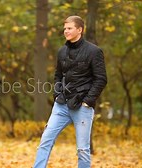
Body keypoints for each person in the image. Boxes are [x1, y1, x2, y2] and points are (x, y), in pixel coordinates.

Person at [33, 16, 107, 168]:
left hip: (82, 107)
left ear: (79, 30)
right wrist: (57, 94)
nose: (65, 31)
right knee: (45, 141)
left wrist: (88, 101)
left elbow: (100, 79)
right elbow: (58, 76)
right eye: (65, 28)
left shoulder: (94, 51)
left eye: (69, 28)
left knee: (82, 149)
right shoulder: (62, 51)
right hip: (61, 105)